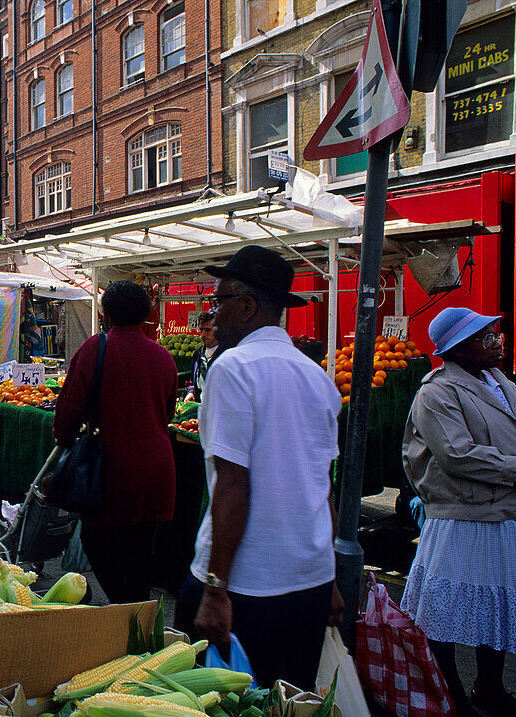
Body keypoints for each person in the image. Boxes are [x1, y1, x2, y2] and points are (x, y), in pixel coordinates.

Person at [174, 245, 343, 690]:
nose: (212, 312)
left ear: (247, 306)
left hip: (248, 584)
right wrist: (333, 581)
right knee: (291, 698)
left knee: (224, 698)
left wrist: (215, 589)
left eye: (218, 301)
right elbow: (323, 486)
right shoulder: (317, 378)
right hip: (309, 581)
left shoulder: (232, 368)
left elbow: (233, 485)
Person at [400, 308, 516, 717]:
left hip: (514, 515)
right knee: (447, 612)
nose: (497, 342)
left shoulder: (502, 382)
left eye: (495, 334)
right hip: (466, 519)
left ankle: (489, 687)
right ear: (457, 349)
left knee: (498, 606)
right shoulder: (436, 393)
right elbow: (457, 455)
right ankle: (449, 693)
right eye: (486, 337)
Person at [53, 280, 177, 604]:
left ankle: (125, 609)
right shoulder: (163, 357)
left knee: (98, 542)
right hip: (157, 468)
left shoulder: (95, 348)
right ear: (146, 314)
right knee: (139, 546)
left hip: (112, 469)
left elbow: (69, 407)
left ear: (106, 313)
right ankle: (138, 615)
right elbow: (168, 411)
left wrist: (64, 437)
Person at [185, 311, 219, 401]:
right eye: (201, 330)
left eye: (208, 330)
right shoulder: (198, 354)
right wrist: (191, 392)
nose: (203, 334)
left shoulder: (226, 354)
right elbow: (194, 382)